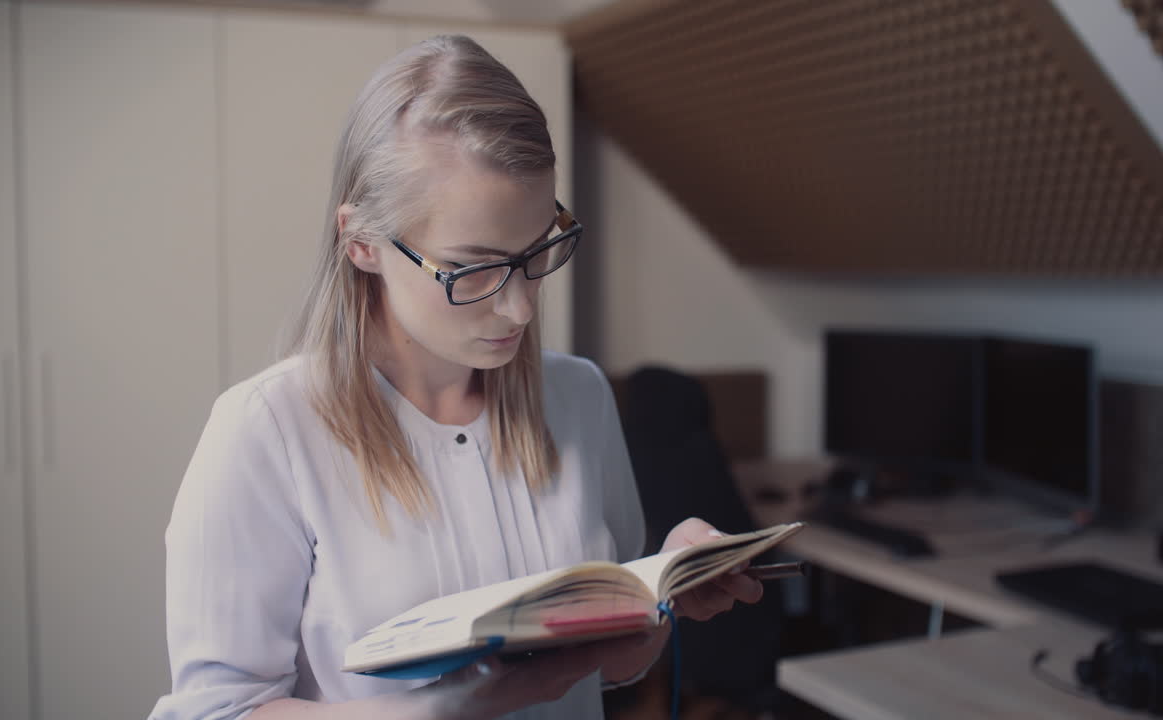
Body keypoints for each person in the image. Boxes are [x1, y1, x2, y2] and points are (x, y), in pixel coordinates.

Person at [149, 35, 763, 720]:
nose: (521, 306)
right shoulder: (265, 431)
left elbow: (611, 668)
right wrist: (454, 706)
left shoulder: (580, 397)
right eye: (475, 268)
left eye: (539, 251)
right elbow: (217, 712)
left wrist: (665, 592)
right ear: (361, 244)